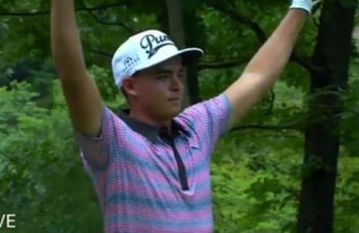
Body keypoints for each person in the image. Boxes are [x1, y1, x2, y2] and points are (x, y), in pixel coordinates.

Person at [50, 0, 313, 232]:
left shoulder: (197, 127)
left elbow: (256, 76)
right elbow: (73, 77)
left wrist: (302, 5)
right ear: (130, 86)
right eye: (163, 76)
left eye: (179, 74)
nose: (176, 85)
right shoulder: (112, 141)